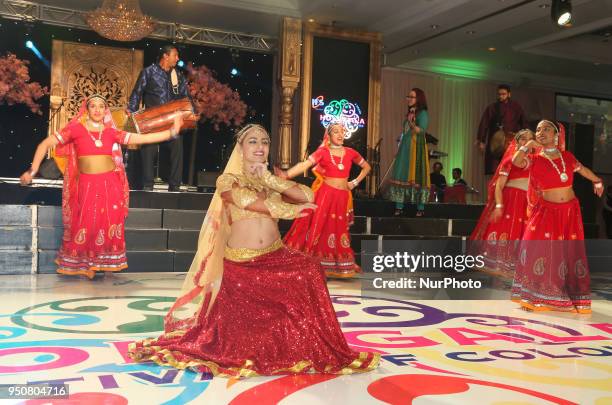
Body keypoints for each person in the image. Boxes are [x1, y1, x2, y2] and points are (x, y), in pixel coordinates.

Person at [128, 124, 380, 377]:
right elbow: (246, 201)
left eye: (264, 141)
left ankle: (309, 342)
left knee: (311, 268)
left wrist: (269, 178)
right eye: (252, 141)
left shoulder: (271, 183)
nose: (260, 146)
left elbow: (306, 195)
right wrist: (287, 211)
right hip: (242, 263)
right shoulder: (227, 180)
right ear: (240, 148)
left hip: (275, 255)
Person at [20, 95, 183, 279]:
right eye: (93, 106)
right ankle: (85, 264)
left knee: (107, 225)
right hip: (86, 186)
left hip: (110, 186)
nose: (97, 110)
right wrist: (32, 172)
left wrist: (171, 132)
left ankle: (104, 263)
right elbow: (45, 144)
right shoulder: (75, 129)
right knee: (86, 225)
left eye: (101, 106)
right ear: (87, 109)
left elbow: (141, 138)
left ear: (106, 110)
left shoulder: (111, 132)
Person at [510, 120, 603, 313]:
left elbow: (582, 169)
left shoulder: (567, 157)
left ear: (556, 135)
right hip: (546, 211)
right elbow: (516, 161)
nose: (540, 132)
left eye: (546, 129)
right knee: (540, 251)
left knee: (568, 253)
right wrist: (527, 145)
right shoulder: (534, 158)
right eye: (537, 130)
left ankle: (568, 294)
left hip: (569, 212)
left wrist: (597, 181)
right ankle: (533, 296)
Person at [278, 122, 371, 278]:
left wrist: (354, 182)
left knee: (337, 229)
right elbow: (305, 165)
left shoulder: (350, 152)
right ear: (329, 136)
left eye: (342, 131)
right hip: (325, 195)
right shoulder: (323, 152)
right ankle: (310, 263)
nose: (340, 134)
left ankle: (335, 265)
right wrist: (287, 175)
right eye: (336, 132)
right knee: (318, 227)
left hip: (342, 197)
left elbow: (367, 167)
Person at [469, 129, 534, 280]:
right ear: (517, 142)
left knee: (521, 235)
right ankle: (499, 267)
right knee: (507, 232)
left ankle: (513, 268)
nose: (527, 141)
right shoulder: (511, 159)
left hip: (527, 201)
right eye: (523, 139)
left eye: (530, 139)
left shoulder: (536, 160)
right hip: (512, 199)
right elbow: (498, 186)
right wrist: (499, 206)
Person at [128, 45, 190, 191]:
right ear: (165, 56)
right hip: (153, 120)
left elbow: (184, 96)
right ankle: (147, 185)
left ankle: (175, 186)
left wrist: (188, 112)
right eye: (175, 55)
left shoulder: (178, 75)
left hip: (172, 120)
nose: (178, 58)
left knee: (177, 149)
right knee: (148, 151)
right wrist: (131, 109)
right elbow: (137, 92)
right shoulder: (149, 72)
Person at [388, 88, 430, 216]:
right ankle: (399, 207)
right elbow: (404, 132)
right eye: (408, 97)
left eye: (412, 97)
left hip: (416, 148)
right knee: (401, 173)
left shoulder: (423, 114)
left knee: (416, 176)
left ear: (419, 99)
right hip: (405, 147)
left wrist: (412, 121)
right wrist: (399, 147)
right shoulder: (410, 113)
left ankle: (420, 208)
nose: (409, 99)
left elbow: (421, 131)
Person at [477, 84, 528, 175]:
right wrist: (481, 140)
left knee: (511, 168)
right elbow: (484, 123)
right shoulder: (492, 108)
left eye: (503, 94)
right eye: (499, 94)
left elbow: (523, 123)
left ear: (509, 94)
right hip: (496, 143)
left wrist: (524, 138)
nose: (501, 96)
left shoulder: (516, 107)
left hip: (511, 142)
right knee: (496, 169)